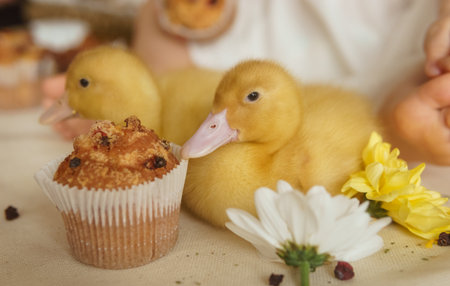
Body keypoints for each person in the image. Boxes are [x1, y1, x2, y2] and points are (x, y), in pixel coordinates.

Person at [42, 0, 450, 165]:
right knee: (160, 21)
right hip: (267, 23)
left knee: (429, 46)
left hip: (397, 30)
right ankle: (136, 103)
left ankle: (409, 112)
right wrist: (211, 15)